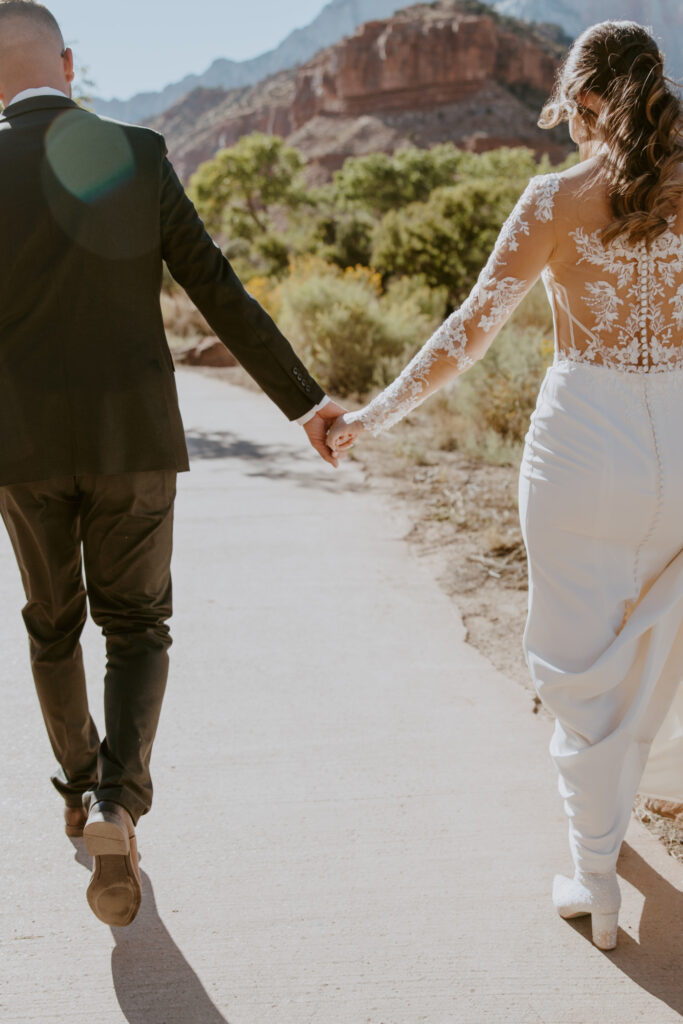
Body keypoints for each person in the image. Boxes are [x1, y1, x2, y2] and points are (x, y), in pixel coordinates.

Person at [328, 19, 683, 951]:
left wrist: (371, 417)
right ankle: (620, 821)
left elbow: (465, 336)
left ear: (590, 101)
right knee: (654, 641)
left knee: (577, 657)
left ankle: (596, 879)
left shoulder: (554, 199)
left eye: (570, 106)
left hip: (582, 447)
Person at [0, 0, 343, 929]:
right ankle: (120, 803)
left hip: (20, 449)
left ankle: (79, 789)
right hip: (136, 443)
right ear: (66, 62)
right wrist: (305, 402)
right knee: (138, 625)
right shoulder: (140, 154)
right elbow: (217, 289)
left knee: (51, 622)